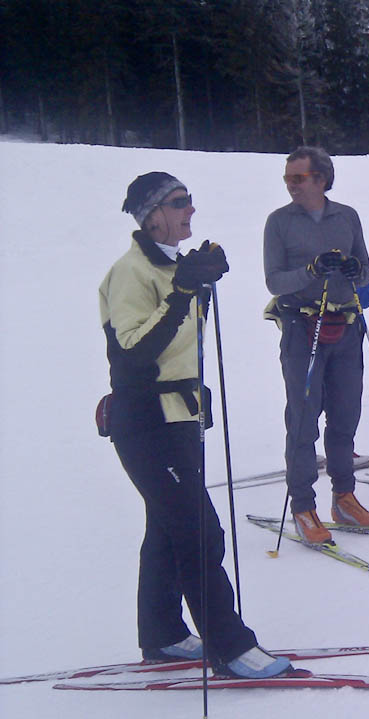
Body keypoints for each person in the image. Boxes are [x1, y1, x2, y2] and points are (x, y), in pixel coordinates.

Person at [101, 172, 291, 679]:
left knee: (167, 531)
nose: (190, 209)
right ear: (152, 215)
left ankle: (162, 634)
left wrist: (195, 283)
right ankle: (229, 647)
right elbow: (134, 355)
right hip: (146, 423)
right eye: (179, 202)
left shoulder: (171, 267)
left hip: (180, 419)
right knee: (199, 532)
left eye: (190, 200)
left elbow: (182, 344)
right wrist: (184, 290)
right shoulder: (131, 273)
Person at [264, 146, 369, 545]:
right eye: (288, 179)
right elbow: (274, 281)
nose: (291, 186)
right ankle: (302, 505)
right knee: (303, 418)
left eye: (299, 178)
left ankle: (344, 497)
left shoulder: (346, 216)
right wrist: (310, 271)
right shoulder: (279, 222)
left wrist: (354, 270)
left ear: (322, 179)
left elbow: (366, 272)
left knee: (345, 414)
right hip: (302, 327)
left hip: (344, 325)